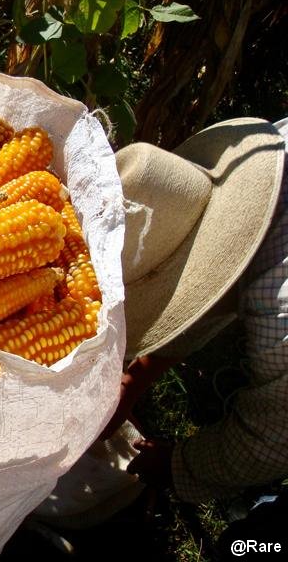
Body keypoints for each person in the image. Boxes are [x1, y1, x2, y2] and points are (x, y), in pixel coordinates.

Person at [102, 116, 288, 538]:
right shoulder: (273, 155)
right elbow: (222, 274)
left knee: (257, 541)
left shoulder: (280, 314)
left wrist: (176, 465)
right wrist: (137, 378)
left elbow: (273, 442)